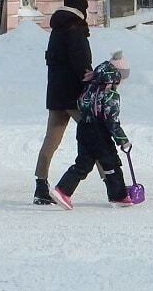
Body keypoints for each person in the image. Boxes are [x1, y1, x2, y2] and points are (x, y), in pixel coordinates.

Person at [50, 51, 134, 209]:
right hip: (99, 132)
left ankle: (62, 190)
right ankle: (119, 196)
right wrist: (123, 140)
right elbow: (112, 121)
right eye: (122, 78)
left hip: (84, 128)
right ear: (116, 76)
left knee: (84, 162)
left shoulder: (90, 86)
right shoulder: (110, 95)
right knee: (111, 163)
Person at [33, 0, 93, 205]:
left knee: (51, 140)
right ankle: (113, 181)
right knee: (95, 136)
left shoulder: (57, 29)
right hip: (75, 96)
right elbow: (81, 63)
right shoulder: (75, 29)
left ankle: (41, 184)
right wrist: (90, 81)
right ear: (81, 10)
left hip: (56, 94)